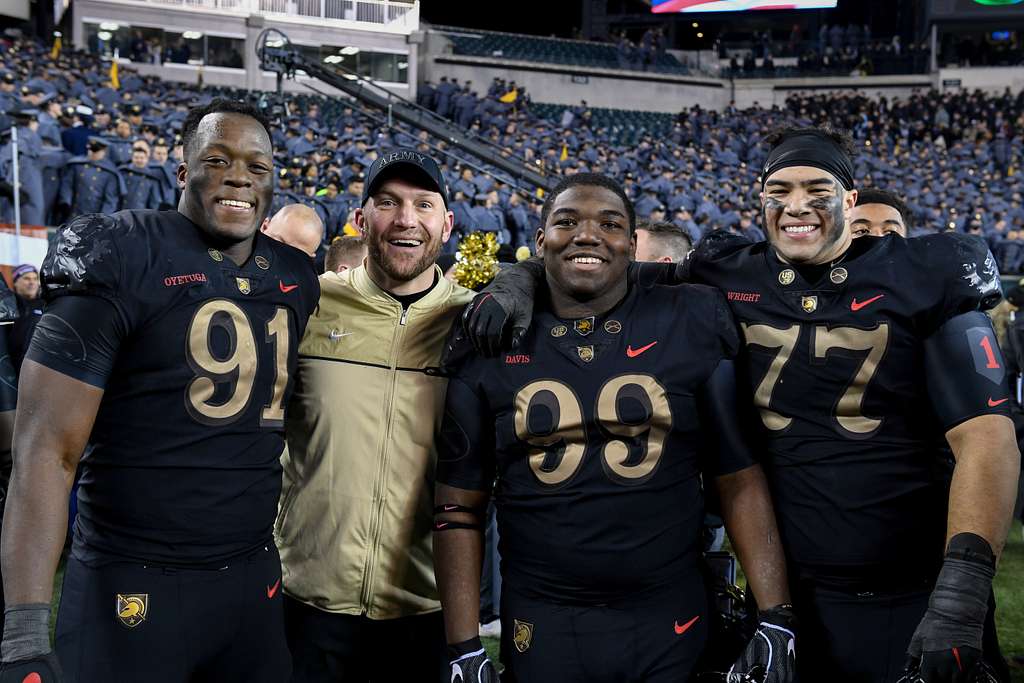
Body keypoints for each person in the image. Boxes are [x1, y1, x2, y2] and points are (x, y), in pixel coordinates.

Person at [460, 128, 1019, 683]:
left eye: (816, 189)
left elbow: (988, 436)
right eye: (778, 190)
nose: (795, 205)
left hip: (915, 587)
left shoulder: (926, 271)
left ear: (851, 200)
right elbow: (601, 270)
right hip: (796, 595)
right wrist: (517, 278)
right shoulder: (729, 271)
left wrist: (964, 587)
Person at [0, 98, 320, 683]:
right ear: (182, 172)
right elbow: (46, 450)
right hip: (133, 581)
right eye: (218, 158)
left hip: (252, 580)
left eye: (258, 164)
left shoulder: (295, 277)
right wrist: (23, 630)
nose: (239, 176)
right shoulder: (121, 251)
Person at [435, 173, 796, 683]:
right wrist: (464, 647)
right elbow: (458, 508)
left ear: (632, 244)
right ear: (540, 243)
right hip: (543, 617)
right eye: (566, 222)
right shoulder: (491, 331)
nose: (587, 235)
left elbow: (736, 476)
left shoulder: (688, 315)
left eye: (609, 223)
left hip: (668, 613)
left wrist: (776, 614)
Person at [276, 149, 474, 683]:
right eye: (388, 203)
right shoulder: (309, 304)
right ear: (361, 220)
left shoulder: (476, 323)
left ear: (446, 224)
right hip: (307, 600)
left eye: (423, 205)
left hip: (427, 609)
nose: (406, 220)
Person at [56, 136, 122, 222]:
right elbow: (67, 185)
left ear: (104, 152)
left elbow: (110, 200)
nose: (92, 153)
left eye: (95, 151)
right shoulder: (77, 164)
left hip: (93, 215)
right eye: (90, 150)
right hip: (73, 212)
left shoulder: (109, 172)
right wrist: (66, 202)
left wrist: (104, 218)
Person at [6, 265, 42, 373]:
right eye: (26, 278)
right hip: (11, 369)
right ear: (15, 282)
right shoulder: (7, 306)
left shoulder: (47, 306)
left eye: (35, 279)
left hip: (37, 369)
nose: (32, 282)